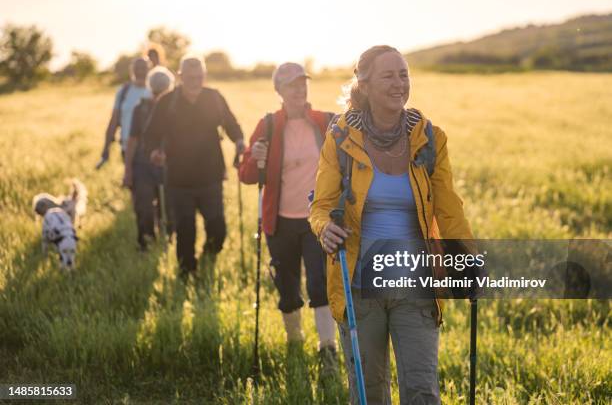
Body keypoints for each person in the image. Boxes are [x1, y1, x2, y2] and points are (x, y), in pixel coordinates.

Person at [309, 45, 474, 404]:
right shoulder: (340, 138)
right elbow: (320, 206)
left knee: (422, 392)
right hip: (358, 285)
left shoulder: (429, 138)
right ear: (364, 85)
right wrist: (325, 229)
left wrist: (469, 257)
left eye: (404, 74)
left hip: (416, 284)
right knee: (369, 392)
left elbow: (449, 208)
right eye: (389, 75)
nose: (399, 83)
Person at [239, 63, 338, 366]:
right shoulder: (268, 125)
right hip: (279, 221)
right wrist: (255, 158)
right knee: (287, 285)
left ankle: (327, 348)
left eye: (302, 83)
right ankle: (294, 343)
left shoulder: (325, 122)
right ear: (279, 90)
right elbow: (245, 175)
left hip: (317, 222)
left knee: (320, 283)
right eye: (292, 84)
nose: (299, 89)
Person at [145, 56, 245, 278]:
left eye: (199, 76)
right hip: (178, 181)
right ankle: (187, 274)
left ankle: (208, 258)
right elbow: (150, 135)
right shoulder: (167, 102)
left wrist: (239, 141)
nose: (195, 81)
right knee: (185, 231)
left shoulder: (214, 98)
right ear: (180, 77)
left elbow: (231, 124)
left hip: (211, 178)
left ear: (204, 76)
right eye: (190, 77)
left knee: (218, 230)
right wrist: (154, 152)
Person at [122, 66, 175, 250]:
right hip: (143, 166)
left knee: (169, 208)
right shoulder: (140, 109)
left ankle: (168, 240)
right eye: (157, 91)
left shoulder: (176, 108)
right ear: (150, 89)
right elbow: (132, 140)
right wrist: (128, 169)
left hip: (170, 166)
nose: (159, 95)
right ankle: (146, 244)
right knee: (144, 207)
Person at [100, 57, 152, 162]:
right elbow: (114, 120)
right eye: (137, 68)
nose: (140, 71)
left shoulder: (154, 91)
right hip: (127, 148)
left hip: (149, 150)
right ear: (132, 70)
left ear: (149, 70)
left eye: (143, 68)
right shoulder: (123, 91)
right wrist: (106, 148)